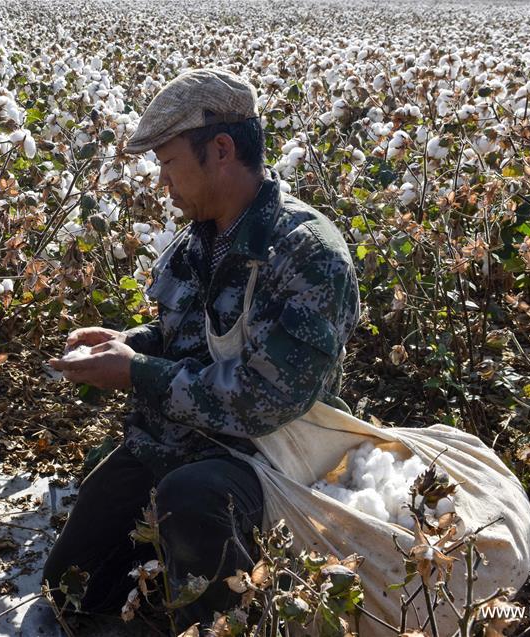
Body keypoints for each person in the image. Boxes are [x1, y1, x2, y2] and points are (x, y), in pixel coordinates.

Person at [42, 67, 360, 633]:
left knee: (192, 499)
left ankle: (231, 614)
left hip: (269, 462)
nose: (164, 184)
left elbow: (265, 400)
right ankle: (176, 581)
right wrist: (127, 343)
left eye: (168, 165)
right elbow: (183, 336)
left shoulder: (306, 254)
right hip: (182, 440)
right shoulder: (203, 235)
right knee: (69, 591)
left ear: (220, 150)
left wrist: (137, 374)